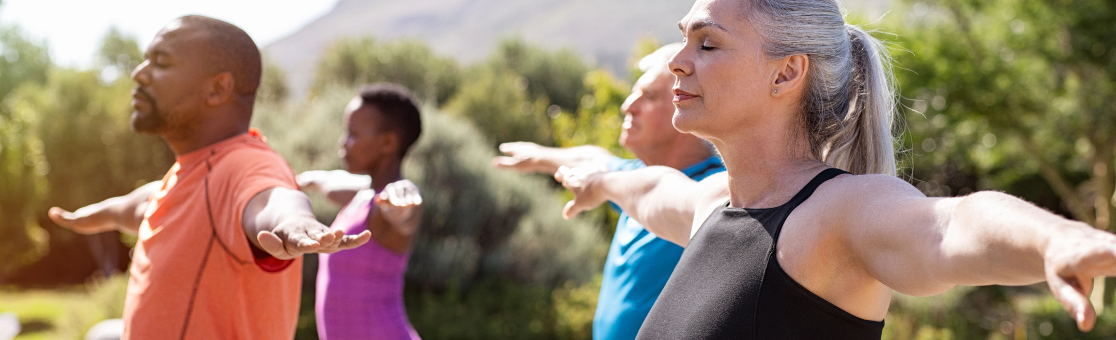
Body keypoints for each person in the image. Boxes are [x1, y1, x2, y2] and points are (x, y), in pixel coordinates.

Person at [555, 0, 1116, 338]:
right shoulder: (714, 205)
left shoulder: (834, 215)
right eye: (685, 39)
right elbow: (648, 187)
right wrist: (597, 177)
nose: (677, 60)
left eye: (707, 43)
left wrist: (1056, 239)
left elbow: (950, 225)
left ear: (785, 73)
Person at [46, 15, 370, 339]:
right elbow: (142, 205)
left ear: (218, 89)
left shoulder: (244, 164)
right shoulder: (190, 174)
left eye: (160, 62)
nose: (139, 73)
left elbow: (273, 198)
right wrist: (88, 216)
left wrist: (294, 223)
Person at [495, 43, 724, 340]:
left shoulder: (715, 193)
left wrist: (600, 181)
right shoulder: (631, 179)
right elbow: (591, 159)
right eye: (634, 92)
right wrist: (538, 156)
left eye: (649, 96)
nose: (628, 105)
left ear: (687, 104)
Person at [298, 83, 424, 340]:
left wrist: (404, 201)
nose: (343, 143)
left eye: (353, 134)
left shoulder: (388, 205)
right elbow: (329, 181)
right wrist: (298, 179)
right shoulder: (364, 194)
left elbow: (406, 210)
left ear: (388, 142)